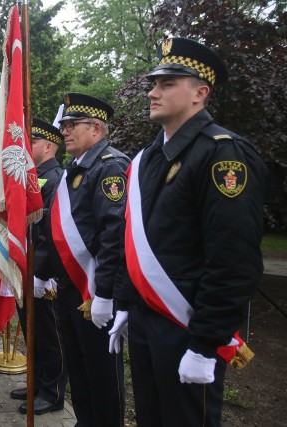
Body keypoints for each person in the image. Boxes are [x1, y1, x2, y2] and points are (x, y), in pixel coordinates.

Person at [110, 37, 267, 427]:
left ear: (200, 93)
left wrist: (204, 344)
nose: (152, 92)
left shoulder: (222, 155)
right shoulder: (148, 158)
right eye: (153, 83)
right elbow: (137, 239)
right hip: (148, 320)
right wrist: (127, 304)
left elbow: (233, 261)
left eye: (166, 84)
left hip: (186, 326)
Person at [37, 93, 128, 426]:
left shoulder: (110, 166)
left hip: (95, 289)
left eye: (73, 125)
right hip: (72, 287)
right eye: (64, 125)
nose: (65, 131)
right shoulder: (76, 168)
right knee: (79, 366)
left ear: (97, 128)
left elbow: (112, 236)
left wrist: (104, 293)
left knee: (102, 373)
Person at [11, 118, 68, 415]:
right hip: (25, 266)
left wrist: (40, 273)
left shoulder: (55, 178)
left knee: (49, 335)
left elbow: (48, 232)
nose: (25, 147)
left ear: (48, 147)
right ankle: (36, 382)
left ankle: (53, 392)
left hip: (42, 275)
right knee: (31, 330)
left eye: (31, 143)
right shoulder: (31, 177)